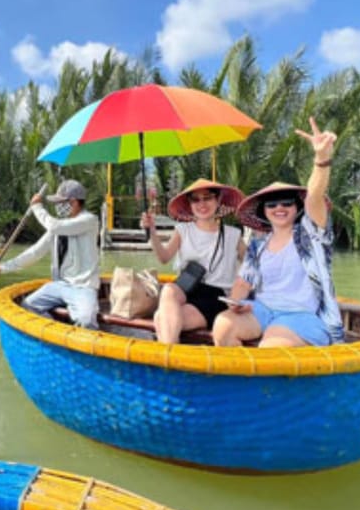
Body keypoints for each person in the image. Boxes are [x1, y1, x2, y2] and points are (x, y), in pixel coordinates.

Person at [212, 117, 344, 347]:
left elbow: (314, 197)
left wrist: (321, 159)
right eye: (271, 205)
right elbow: (244, 282)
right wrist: (234, 301)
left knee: (271, 347)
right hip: (261, 309)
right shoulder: (257, 245)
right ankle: (240, 380)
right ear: (264, 211)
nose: (279, 208)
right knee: (223, 325)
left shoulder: (310, 236)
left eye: (286, 203)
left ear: (297, 207)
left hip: (302, 317)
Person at [141, 179, 246, 344]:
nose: (202, 204)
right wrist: (151, 231)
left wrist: (243, 295)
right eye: (195, 199)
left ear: (218, 200)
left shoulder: (233, 235)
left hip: (215, 295)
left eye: (207, 198)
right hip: (186, 286)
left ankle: (167, 357)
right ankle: (169, 356)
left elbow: (252, 267)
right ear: (189, 204)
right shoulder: (183, 230)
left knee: (161, 317)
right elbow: (164, 257)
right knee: (168, 289)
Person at [0, 179, 100, 329]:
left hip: (83, 287)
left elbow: (54, 225)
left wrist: (36, 207)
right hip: (59, 284)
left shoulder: (89, 220)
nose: (57, 207)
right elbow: (35, 252)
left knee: (86, 320)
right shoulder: (58, 229)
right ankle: (58, 332)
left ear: (73, 202)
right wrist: (3, 267)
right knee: (27, 305)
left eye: (60, 202)